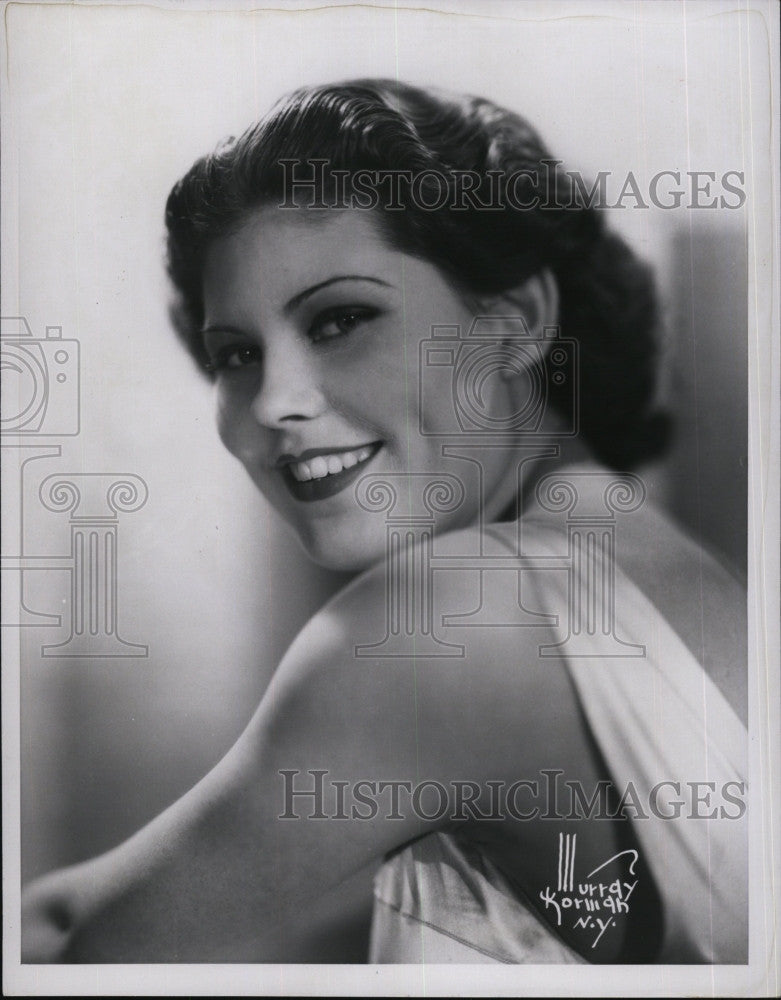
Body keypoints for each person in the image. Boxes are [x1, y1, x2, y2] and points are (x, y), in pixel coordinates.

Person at [21, 79, 746, 964]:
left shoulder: (449, 615)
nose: (276, 402)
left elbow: (72, 956)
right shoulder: (653, 565)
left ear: (515, 322)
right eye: (237, 354)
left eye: (340, 320)